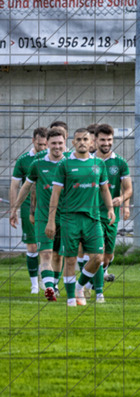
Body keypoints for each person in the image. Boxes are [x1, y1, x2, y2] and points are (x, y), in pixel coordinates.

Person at [45, 128, 115, 307]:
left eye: (85, 139)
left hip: (93, 219)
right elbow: (55, 194)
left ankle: (79, 287)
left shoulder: (99, 164)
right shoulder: (65, 164)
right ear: (73, 142)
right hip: (70, 218)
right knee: (70, 259)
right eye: (78, 139)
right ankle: (71, 299)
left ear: (91, 142)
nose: (82, 142)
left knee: (98, 258)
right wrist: (51, 221)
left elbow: (104, 189)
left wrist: (110, 209)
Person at [11, 128, 66, 301]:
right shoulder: (38, 164)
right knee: (46, 253)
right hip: (43, 216)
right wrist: (15, 208)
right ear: (47, 143)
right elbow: (27, 187)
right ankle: (48, 288)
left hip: (65, 217)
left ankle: (54, 285)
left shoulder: (70, 164)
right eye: (53, 143)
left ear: (65, 143)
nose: (57, 146)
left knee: (58, 255)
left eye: (60, 143)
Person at [93, 124, 132, 291]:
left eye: (109, 139)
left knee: (108, 255)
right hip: (92, 214)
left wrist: (122, 200)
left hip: (111, 215)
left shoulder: (120, 163)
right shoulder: (89, 161)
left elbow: (128, 188)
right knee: (97, 252)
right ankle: (94, 286)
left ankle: (99, 274)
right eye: (102, 140)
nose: (106, 143)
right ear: (95, 140)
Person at [10, 127, 48, 294]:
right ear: (33, 141)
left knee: (48, 247)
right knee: (32, 246)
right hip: (28, 206)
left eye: (46, 145)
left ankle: (46, 280)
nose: (43, 148)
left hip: (48, 206)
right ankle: (34, 285)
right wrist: (14, 209)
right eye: (40, 145)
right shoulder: (24, 160)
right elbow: (14, 185)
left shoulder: (53, 159)